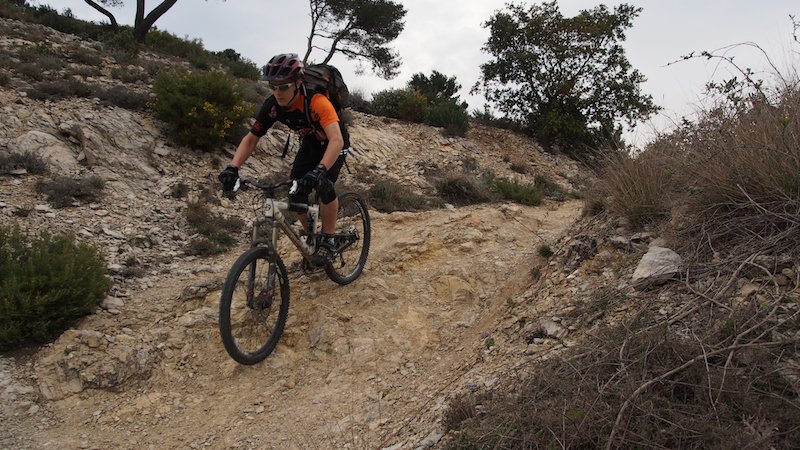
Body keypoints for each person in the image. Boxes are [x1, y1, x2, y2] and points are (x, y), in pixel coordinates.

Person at [218, 53, 349, 265]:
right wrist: (233, 167)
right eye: (273, 86)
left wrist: (319, 170)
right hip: (310, 143)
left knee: (324, 185)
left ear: (298, 83)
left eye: (284, 87)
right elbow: (252, 138)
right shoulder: (272, 106)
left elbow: (336, 140)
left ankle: (328, 239)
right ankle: (312, 238)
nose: (277, 92)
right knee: (296, 193)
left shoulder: (317, 101)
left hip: (335, 141)